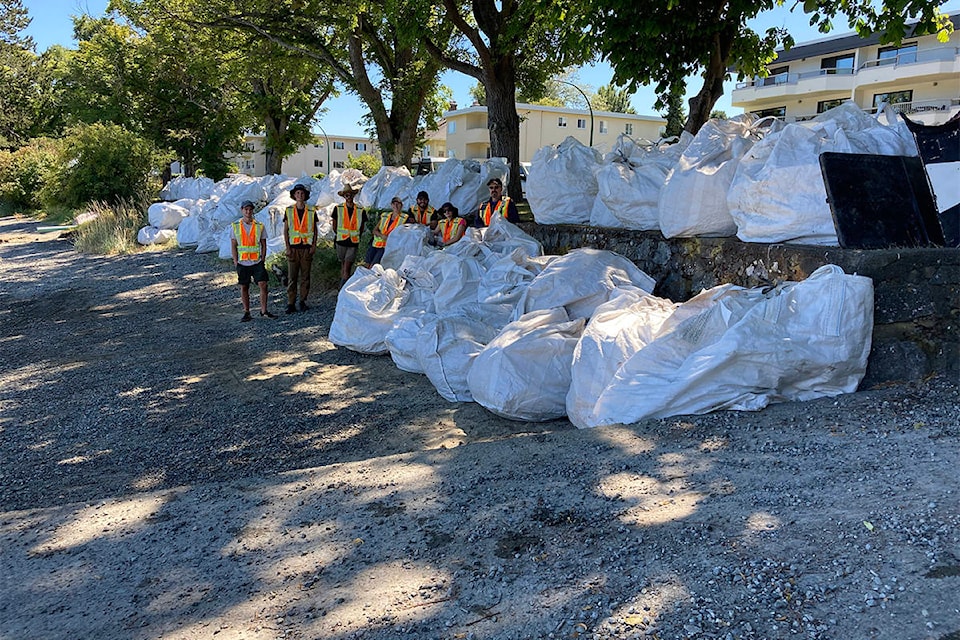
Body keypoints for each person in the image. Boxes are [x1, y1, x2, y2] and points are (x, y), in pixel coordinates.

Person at [231, 200, 277, 322]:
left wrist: (263, 258)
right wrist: (235, 261)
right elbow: (233, 245)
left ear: (253, 211)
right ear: (242, 210)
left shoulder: (259, 226)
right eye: (246, 209)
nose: (248, 211)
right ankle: (247, 312)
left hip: (256, 262)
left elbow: (263, 243)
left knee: (263, 284)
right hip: (243, 262)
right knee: (244, 286)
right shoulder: (236, 226)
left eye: (250, 209)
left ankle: (264, 310)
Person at [283, 183, 319, 314]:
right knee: (292, 277)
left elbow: (315, 230)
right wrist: (287, 247)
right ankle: (290, 303)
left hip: (306, 248)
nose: (300, 195)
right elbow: (286, 230)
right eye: (297, 193)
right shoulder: (289, 210)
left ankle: (302, 301)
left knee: (305, 276)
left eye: (302, 193)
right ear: (294, 195)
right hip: (293, 248)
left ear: (305, 196)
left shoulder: (311, 211)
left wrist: (314, 245)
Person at [331, 183, 366, 288]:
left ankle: (343, 288)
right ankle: (344, 284)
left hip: (353, 242)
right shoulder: (338, 208)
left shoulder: (360, 210)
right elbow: (334, 225)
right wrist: (339, 234)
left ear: (353, 195)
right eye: (346, 195)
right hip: (341, 241)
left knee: (347, 266)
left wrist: (356, 235)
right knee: (343, 264)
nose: (349, 196)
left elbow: (362, 227)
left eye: (350, 194)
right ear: (344, 196)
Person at [364, 196, 409, 267]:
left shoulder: (405, 218)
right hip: (375, 244)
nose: (396, 206)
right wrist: (382, 236)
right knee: (366, 264)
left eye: (398, 204)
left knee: (374, 266)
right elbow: (374, 230)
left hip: (387, 247)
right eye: (394, 204)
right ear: (391, 205)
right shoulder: (385, 216)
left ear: (402, 205)